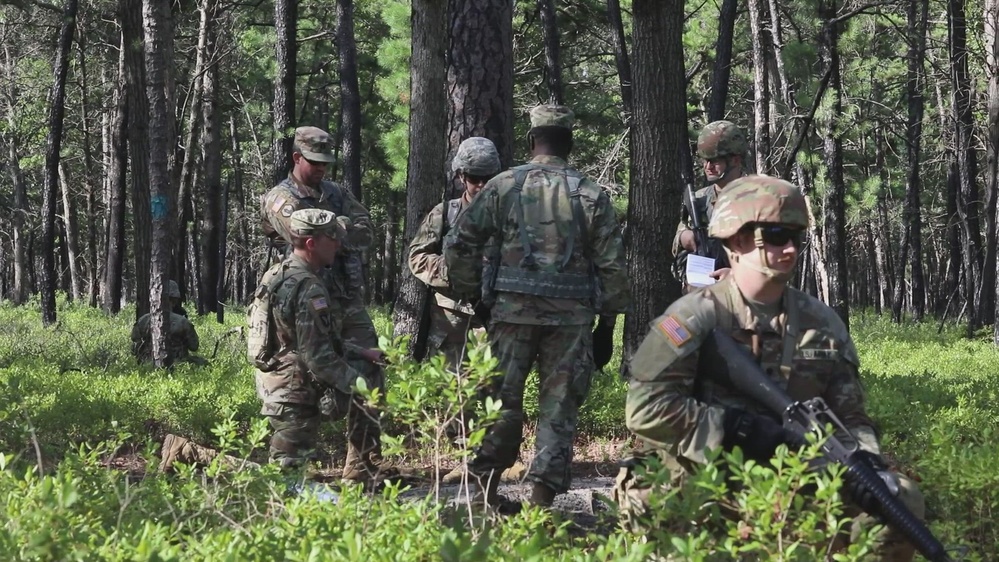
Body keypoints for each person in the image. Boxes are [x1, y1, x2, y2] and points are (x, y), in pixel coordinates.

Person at [616, 175, 924, 561]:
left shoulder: (821, 322)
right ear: (737, 241)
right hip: (703, 478)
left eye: (796, 236)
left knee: (898, 500)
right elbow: (645, 409)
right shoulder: (693, 316)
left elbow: (851, 414)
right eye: (776, 235)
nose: (790, 247)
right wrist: (734, 428)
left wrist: (864, 462)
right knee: (652, 496)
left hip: (794, 476)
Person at [443, 105, 630, 508]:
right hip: (571, 321)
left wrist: (474, 295)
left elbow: (459, 243)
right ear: (570, 143)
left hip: (510, 316)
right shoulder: (592, 193)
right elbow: (612, 267)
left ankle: (481, 499)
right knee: (558, 410)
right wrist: (606, 326)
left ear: (532, 141)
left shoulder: (504, 185)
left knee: (497, 402)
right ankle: (541, 506)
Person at [259, 126, 386, 479]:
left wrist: (337, 228)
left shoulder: (335, 192)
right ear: (297, 158)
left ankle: (363, 465)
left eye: (326, 164)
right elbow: (303, 235)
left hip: (346, 298)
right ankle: (291, 461)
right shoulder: (279, 199)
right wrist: (341, 227)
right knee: (305, 374)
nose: (321, 170)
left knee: (371, 369)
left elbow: (366, 230)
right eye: (314, 163)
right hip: (308, 300)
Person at [408, 136, 500, 371]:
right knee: (451, 389)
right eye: (474, 178)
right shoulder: (445, 213)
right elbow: (417, 257)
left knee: (493, 388)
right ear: (461, 176)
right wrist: (452, 269)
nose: (480, 185)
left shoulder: (509, 215)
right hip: (451, 317)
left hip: (495, 315)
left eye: (487, 179)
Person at [672, 120, 749, 288]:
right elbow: (680, 232)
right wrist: (683, 237)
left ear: (735, 160)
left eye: (714, 161)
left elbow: (775, 258)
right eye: (705, 160)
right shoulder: (699, 199)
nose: (707, 166)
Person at [130, 280, 205, 366]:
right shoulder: (183, 322)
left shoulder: (143, 321)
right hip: (178, 364)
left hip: (148, 364)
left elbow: (134, 349)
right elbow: (194, 346)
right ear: (174, 300)